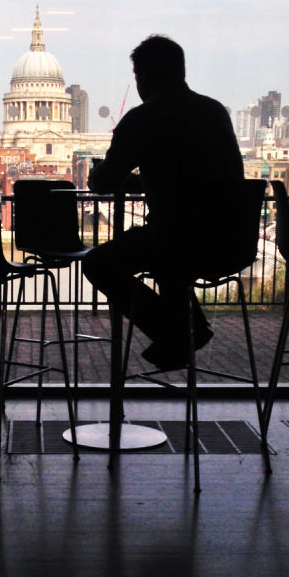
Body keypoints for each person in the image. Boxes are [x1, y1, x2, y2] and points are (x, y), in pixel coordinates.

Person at [83, 35, 244, 370]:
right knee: (168, 250)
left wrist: (99, 171)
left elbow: (104, 183)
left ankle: (180, 333)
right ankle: (183, 330)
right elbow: (190, 179)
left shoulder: (142, 119)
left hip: (176, 241)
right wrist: (142, 182)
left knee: (99, 263)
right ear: (180, 71)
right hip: (231, 241)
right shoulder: (214, 111)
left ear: (142, 77)